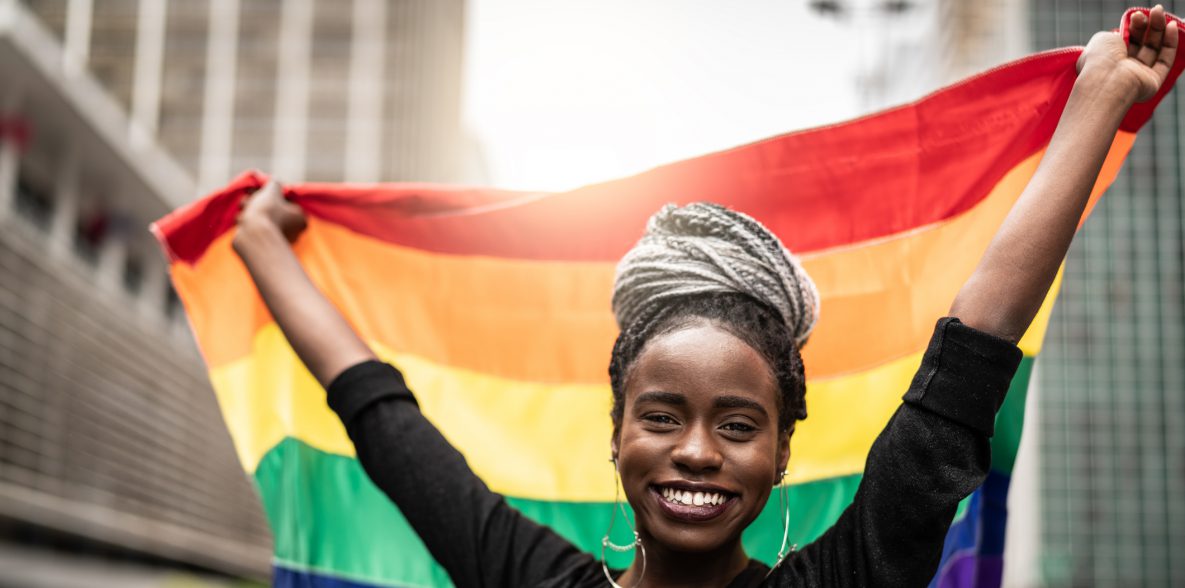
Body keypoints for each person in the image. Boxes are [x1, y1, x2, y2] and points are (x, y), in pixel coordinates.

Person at [231, 8, 1178, 588]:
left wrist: (1097, 101)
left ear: (778, 453)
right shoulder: (526, 577)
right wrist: (262, 245)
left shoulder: (845, 580)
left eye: (735, 423)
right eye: (662, 415)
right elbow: (380, 415)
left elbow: (971, 355)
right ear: (616, 435)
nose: (695, 450)